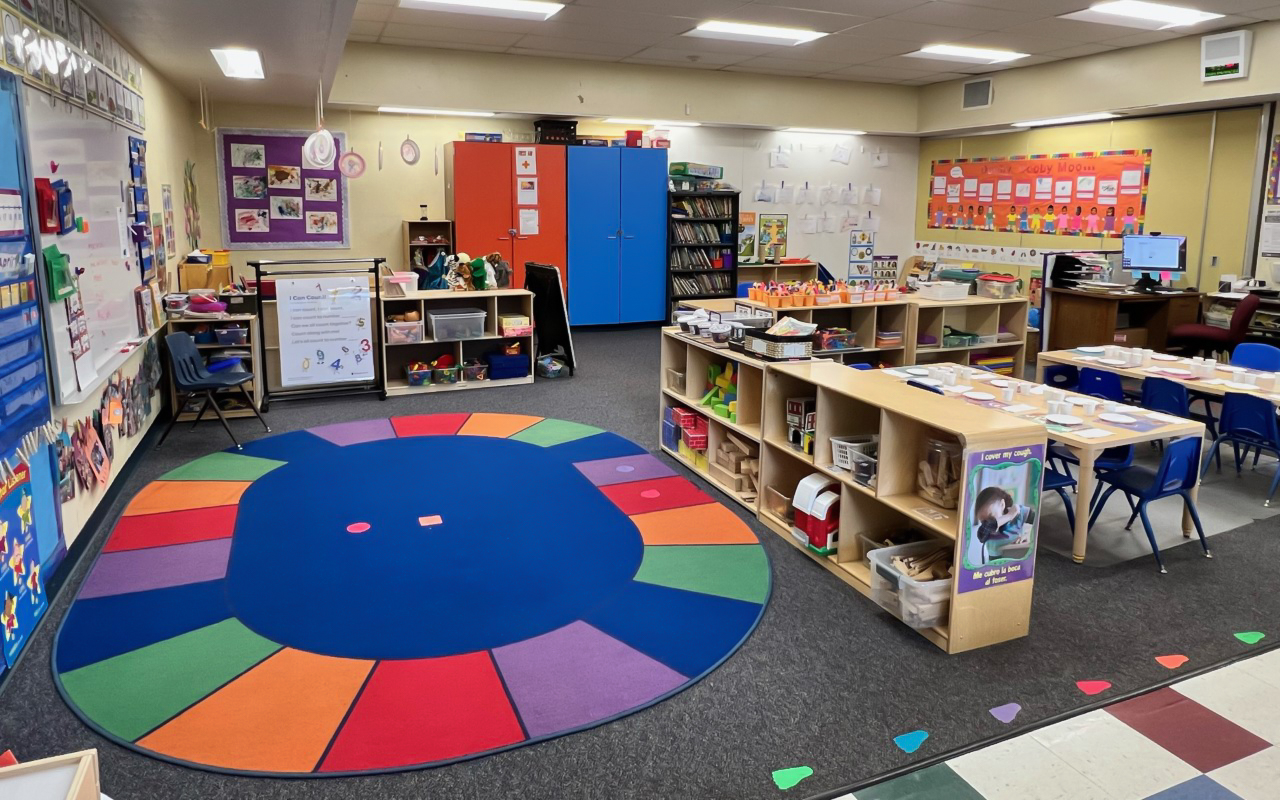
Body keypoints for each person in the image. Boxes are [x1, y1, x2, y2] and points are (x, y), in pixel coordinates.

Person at [968, 486, 1032, 567]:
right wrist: (1009, 516)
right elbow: (982, 534)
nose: (988, 523)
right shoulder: (987, 530)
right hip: (998, 567)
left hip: (1020, 563)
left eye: (991, 518)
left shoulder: (1020, 513)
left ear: (1002, 504)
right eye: (983, 521)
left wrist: (1029, 535)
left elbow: (1039, 522)